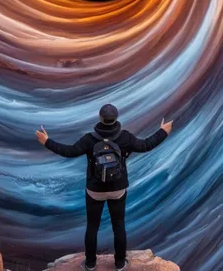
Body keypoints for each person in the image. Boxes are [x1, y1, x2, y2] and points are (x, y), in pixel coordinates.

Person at [36, 104, 173, 271]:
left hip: (95, 190)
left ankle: (90, 264)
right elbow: (145, 145)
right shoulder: (125, 138)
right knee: (119, 225)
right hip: (118, 189)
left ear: (100, 118)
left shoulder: (89, 139)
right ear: (116, 119)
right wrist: (163, 131)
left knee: (92, 226)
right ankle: (120, 264)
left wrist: (47, 142)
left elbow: (69, 151)